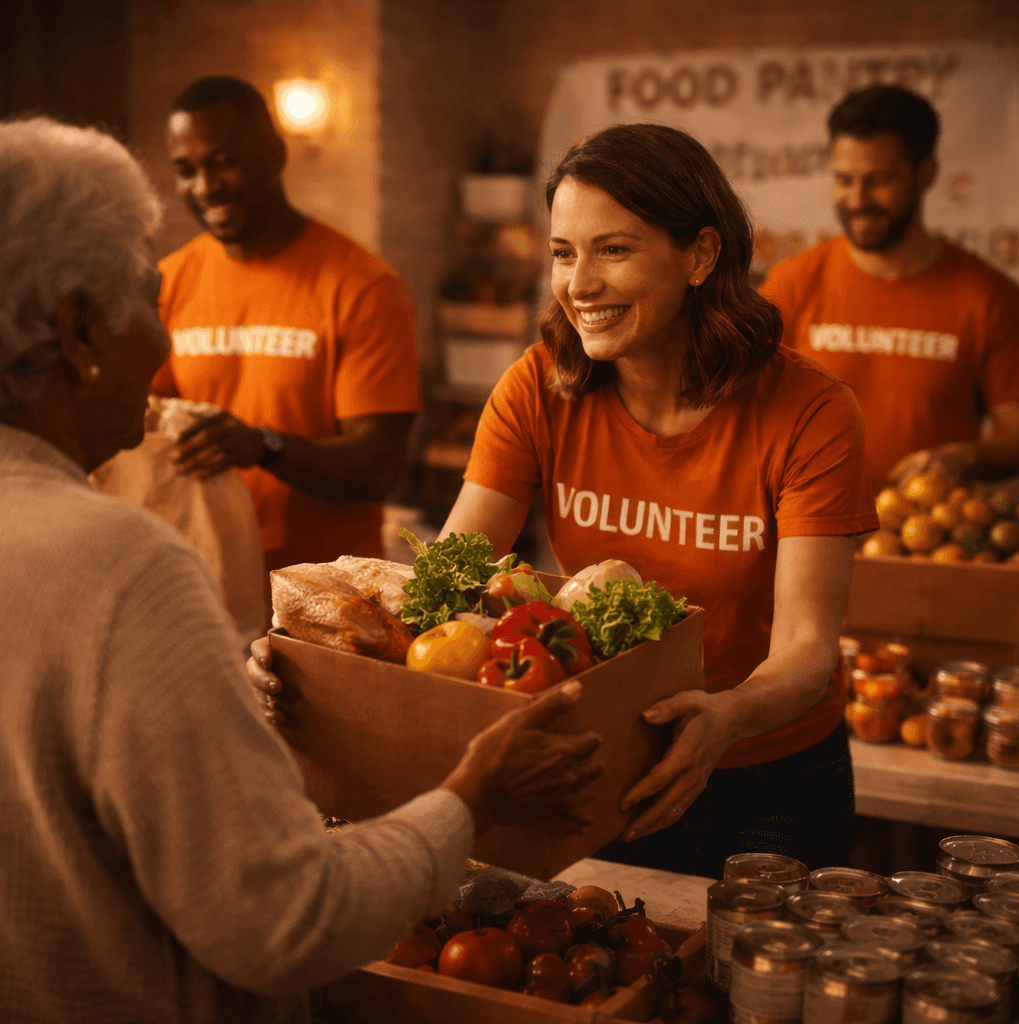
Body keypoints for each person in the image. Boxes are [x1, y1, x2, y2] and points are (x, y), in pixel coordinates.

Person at [0, 117, 602, 1024]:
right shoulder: (124, 568)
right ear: (80, 329)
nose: (164, 349)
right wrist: (470, 798)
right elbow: (283, 920)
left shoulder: (358, 282)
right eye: (146, 299)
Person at [252, 123, 880, 880]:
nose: (579, 284)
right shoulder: (538, 387)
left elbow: (808, 650)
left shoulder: (810, 411)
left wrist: (725, 717)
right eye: (563, 252)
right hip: (596, 755)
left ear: (701, 256)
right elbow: (444, 587)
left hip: (767, 779)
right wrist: (317, 657)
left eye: (613, 249)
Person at [152, 76, 421, 570]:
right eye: (186, 169)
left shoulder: (362, 286)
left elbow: (379, 465)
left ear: (275, 155)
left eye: (224, 162)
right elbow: (143, 429)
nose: (205, 187)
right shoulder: (167, 282)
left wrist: (263, 446)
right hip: (201, 575)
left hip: (325, 591)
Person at [761, 84, 1019, 492]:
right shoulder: (791, 283)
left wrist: (965, 457)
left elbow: (1018, 432)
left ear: (926, 174)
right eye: (844, 180)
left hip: (923, 538)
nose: (857, 199)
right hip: (799, 528)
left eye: (878, 180)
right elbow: (744, 412)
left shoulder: (989, 296)